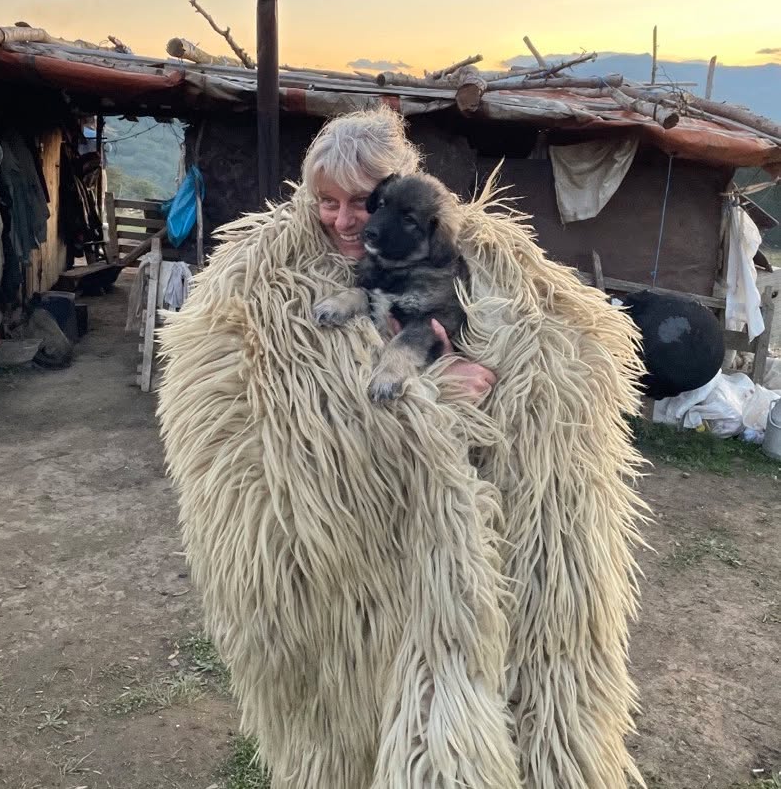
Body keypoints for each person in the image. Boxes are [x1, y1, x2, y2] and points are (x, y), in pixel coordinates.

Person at [157, 105, 646, 789]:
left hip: (480, 540)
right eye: (326, 202)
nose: (344, 221)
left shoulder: (476, 252)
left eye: (363, 201)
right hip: (348, 569)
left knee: (509, 701)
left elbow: (565, 339)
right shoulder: (259, 281)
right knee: (361, 724)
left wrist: (501, 386)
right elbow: (242, 417)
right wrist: (429, 401)